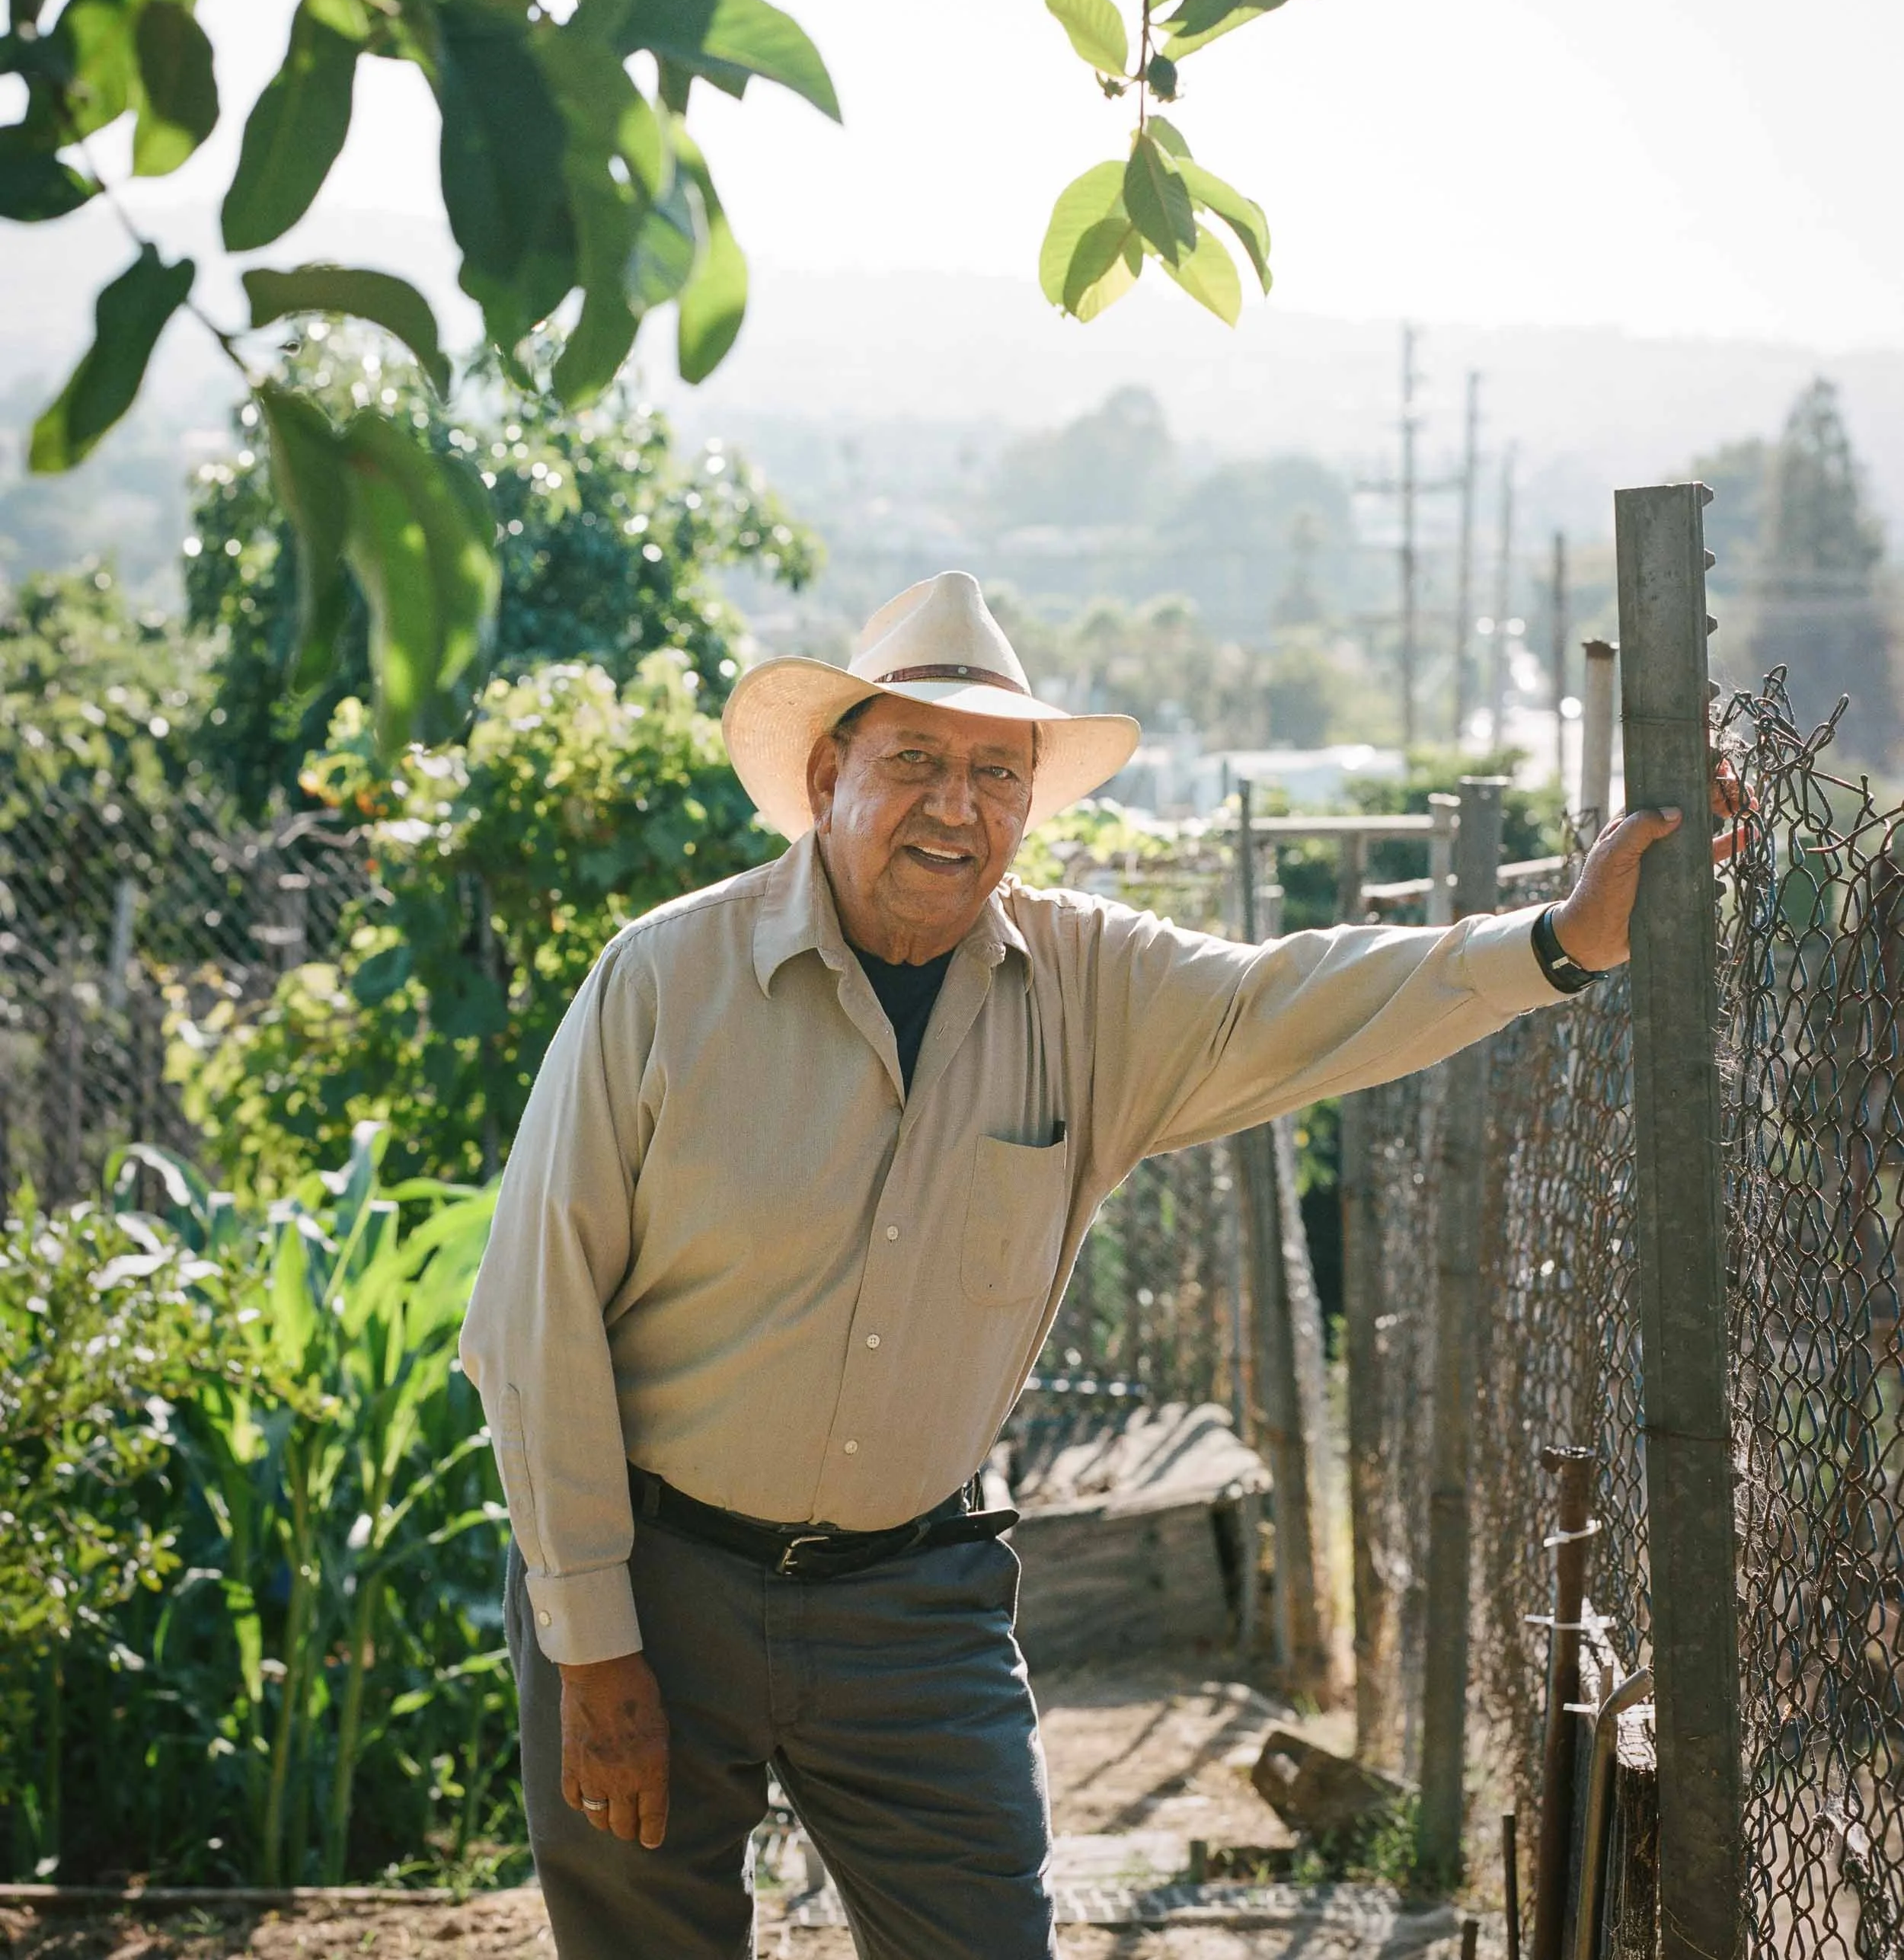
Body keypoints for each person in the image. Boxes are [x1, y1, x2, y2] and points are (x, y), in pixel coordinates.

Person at [460, 570, 1676, 1960]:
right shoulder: (664, 982)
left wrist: (1558, 946)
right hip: (656, 1586)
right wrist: (594, 1640)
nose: (955, 805)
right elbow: (530, 1316)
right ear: (826, 773)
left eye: (996, 771)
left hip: (911, 1607)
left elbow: (1303, 997)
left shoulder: (1093, 987)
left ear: (1031, 805)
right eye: (913, 758)